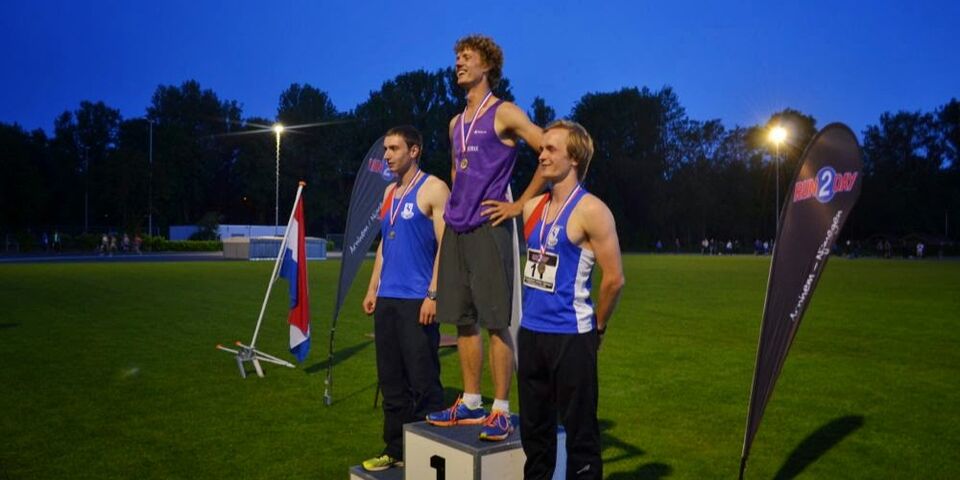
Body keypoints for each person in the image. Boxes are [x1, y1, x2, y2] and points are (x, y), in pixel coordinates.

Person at [426, 34, 545, 442]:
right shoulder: (455, 123)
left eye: (467, 57)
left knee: (496, 322)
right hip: (458, 227)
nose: (459, 63)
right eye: (456, 57)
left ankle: (500, 409)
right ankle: (471, 401)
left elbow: (549, 151)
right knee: (462, 319)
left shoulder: (505, 112)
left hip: (490, 227)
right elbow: (460, 174)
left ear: (487, 66)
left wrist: (519, 205)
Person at [518, 120, 624, 479]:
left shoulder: (593, 210)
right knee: (534, 436)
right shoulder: (532, 207)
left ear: (574, 157)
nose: (541, 155)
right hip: (530, 333)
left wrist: (598, 327)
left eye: (551, 149)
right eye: (541, 148)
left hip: (572, 336)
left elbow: (614, 280)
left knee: (580, 437)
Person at [360, 126, 450, 472]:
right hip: (387, 299)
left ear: (415, 150)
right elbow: (385, 242)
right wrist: (372, 288)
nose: (386, 155)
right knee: (391, 380)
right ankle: (395, 449)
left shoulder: (434, 188)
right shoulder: (388, 192)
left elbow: (447, 244)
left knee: (423, 379)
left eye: (394, 148)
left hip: (418, 299)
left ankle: (432, 455)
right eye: (385, 148)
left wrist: (434, 294)